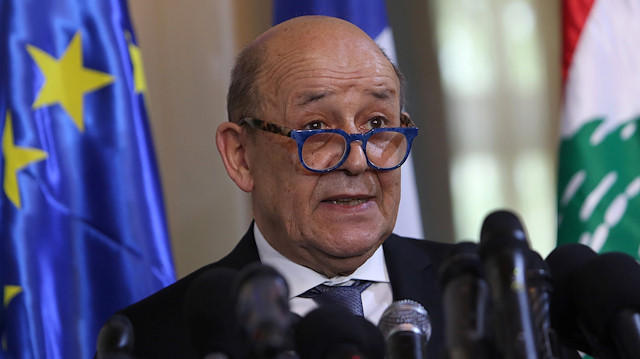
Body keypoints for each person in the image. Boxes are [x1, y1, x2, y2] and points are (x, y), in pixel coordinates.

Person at [109, 15, 454, 358]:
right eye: (316, 126)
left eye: (377, 123)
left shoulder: (483, 296)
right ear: (241, 156)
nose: (357, 160)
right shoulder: (151, 340)